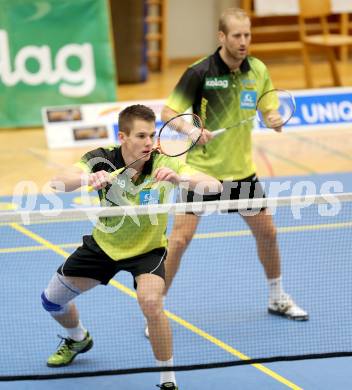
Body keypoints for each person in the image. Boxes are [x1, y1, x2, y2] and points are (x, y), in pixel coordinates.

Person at [145, 8, 308, 339]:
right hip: (200, 171)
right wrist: (191, 132)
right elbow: (168, 111)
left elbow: (269, 109)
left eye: (247, 35)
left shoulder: (257, 70)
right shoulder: (200, 72)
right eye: (237, 35)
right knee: (178, 240)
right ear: (222, 37)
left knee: (268, 234)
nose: (243, 41)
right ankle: (156, 309)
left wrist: (274, 119)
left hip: (241, 175)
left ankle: (277, 296)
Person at [42, 104, 222, 390]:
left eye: (151, 135)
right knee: (51, 300)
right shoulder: (101, 158)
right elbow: (57, 183)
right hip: (104, 246)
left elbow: (214, 186)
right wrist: (87, 178)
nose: (149, 142)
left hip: (147, 251)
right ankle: (78, 338)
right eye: (141, 136)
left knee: (151, 303)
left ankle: (168, 381)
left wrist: (181, 178)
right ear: (123, 136)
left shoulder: (165, 162)